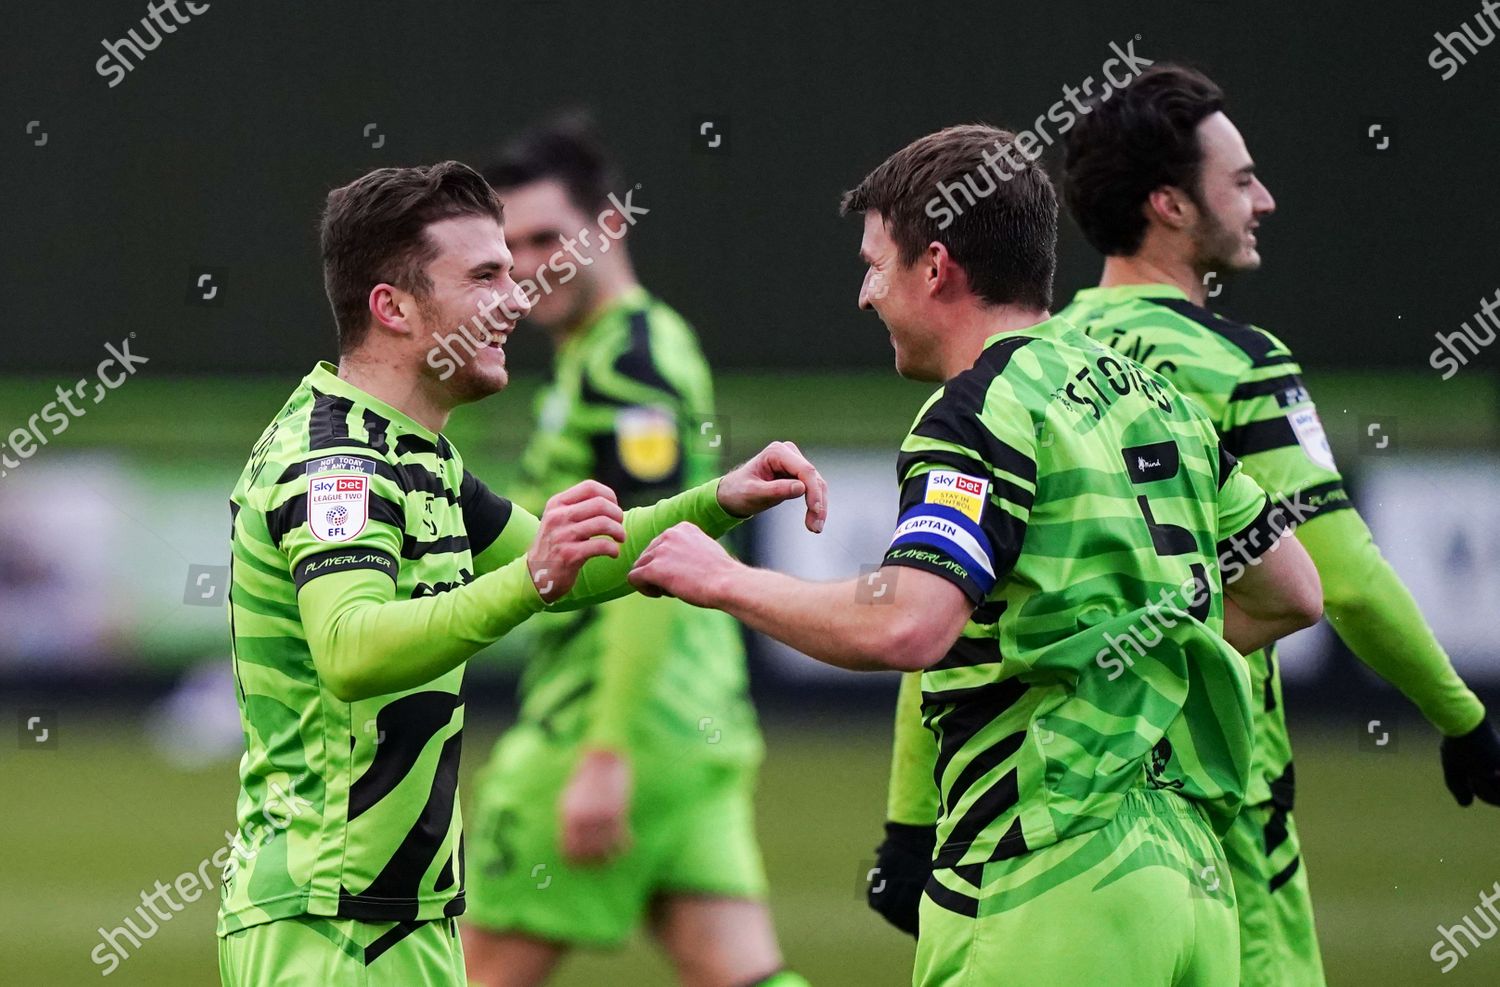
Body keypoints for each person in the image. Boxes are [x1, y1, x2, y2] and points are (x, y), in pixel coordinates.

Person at [627, 124, 1324, 986]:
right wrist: (1127, 670)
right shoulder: (1157, 399)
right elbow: (1294, 590)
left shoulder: (978, 408)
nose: (864, 294)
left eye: (874, 264)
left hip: (1048, 876)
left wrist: (725, 579)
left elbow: (910, 625)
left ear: (935, 266)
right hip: (1196, 884)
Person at [216, 159, 826, 986]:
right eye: (485, 275)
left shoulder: (414, 453)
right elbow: (351, 649)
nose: (516, 297)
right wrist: (529, 581)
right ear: (392, 307)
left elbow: (580, 565)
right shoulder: (338, 464)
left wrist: (722, 500)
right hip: (329, 920)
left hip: (404, 912)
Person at [1054, 63, 1500, 986]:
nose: (1265, 199)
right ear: (1170, 205)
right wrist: (1462, 719)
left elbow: (953, 604)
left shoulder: (1033, 362)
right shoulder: (1239, 365)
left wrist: (904, 825)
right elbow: (1347, 579)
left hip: (1065, 803)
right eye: (1242, 181)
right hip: (1220, 801)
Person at [461, 118, 805, 987]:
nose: (529, 266)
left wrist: (605, 753)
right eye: (510, 248)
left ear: (609, 227)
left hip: (609, 726)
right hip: (696, 724)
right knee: (732, 968)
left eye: (548, 239)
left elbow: (648, 563)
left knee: (470, 973)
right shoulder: (631, 346)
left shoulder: (630, 368)